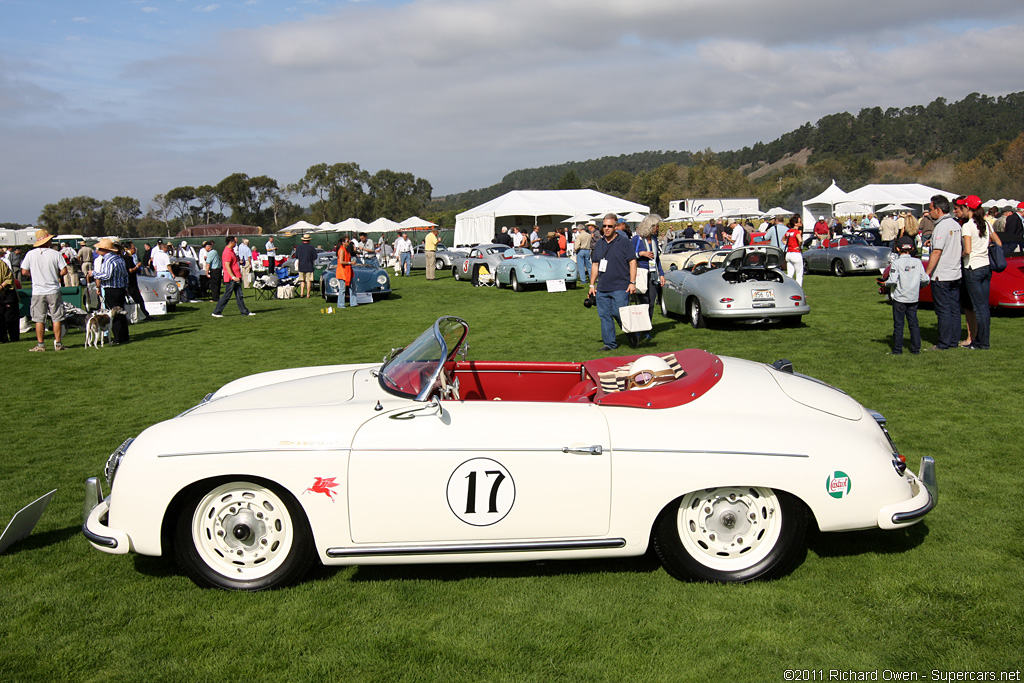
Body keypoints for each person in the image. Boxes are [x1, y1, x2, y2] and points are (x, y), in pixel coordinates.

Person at [589, 213, 637, 351]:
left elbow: (632, 262)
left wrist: (632, 282)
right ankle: (609, 344)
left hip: (621, 286)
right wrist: (592, 285)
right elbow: (595, 265)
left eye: (610, 226)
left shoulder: (624, 242)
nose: (607, 228)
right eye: (604, 226)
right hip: (602, 287)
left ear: (616, 227)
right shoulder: (599, 244)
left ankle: (630, 332)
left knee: (618, 313)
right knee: (604, 316)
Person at [958, 195, 1000, 350]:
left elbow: (968, 250)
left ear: (968, 208)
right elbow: (999, 242)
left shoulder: (968, 226)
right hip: (986, 266)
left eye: (963, 207)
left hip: (973, 268)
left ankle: (981, 342)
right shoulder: (987, 224)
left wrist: (961, 254)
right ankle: (983, 341)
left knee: (978, 308)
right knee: (983, 308)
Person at [924, 195, 962, 350]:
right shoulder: (955, 224)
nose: (929, 212)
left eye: (931, 209)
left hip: (942, 274)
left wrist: (927, 273)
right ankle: (953, 340)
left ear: (938, 210)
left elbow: (937, 252)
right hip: (955, 272)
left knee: (943, 310)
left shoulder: (941, 226)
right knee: (954, 309)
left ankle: (944, 343)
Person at [20, 229, 68, 351]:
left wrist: (34, 275)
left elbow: (24, 271)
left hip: (38, 291)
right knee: (56, 317)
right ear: (47, 241)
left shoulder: (30, 254)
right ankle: (58, 343)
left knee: (38, 319)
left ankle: (41, 344)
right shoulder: (55, 254)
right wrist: (55, 274)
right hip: (53, 290)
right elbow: (64, 270)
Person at [886, 236, 930, 355]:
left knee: (899, 324)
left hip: (900, 297)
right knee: (914, 323)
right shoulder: (917, 262)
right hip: (913, 297)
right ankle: (916, 349)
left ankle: (897, 349)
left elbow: (893, 280)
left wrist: (885, 283)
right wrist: (919, 287)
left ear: (898, 249)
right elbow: (925, 278)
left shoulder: (896, 263)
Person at [632, 214, 665, 341]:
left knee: (651, 303)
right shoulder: (637, 239)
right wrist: (641, 253)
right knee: (643, 303)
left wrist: (661, 274)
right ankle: (639, 329)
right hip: (641, 273)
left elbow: (657, 259)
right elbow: (629, 256)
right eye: (656, 226)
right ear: (650, 226)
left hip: (653, 274)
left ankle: (647, 329)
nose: (657, 228)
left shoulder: (655, 240)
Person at [91, 238, 131, 344]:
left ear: (104, 249)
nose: (97, 251)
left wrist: (93, 274)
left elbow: (107, 275)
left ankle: (117, 338)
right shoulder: (119, 259)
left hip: (111, 289)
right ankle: (124, 337)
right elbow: (125, 275)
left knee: (114, 315)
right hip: (120, 289)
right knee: (121, 313)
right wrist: (126, 287)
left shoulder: (108, 260)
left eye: (98, 249)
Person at [211, 236, 255, 318]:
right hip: (232, 278)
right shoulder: (227, 252)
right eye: (235, 242)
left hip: (237, 276)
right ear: (231, 242)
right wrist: (233, 276)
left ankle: (244, 311)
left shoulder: (232, 251)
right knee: (227, 295)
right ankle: (217, 311)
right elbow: (227, 266)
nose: (236, 243)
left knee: (239, 295)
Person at [123, 242, 154, 320]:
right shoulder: (126, 258)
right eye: (133, 248)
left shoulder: (130, 257)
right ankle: (144, 315)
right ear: (128, 249)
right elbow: (130, 270)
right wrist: (137, 266)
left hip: (133, 282)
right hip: (130, 283)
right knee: (138, 299)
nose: (135, 249)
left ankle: (144, 314)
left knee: (139, 300)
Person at [0, 254, 19, 343]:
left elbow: (9, 279)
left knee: (10, 318)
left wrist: (1, 286)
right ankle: (3, 338)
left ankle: (14, 338)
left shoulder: (2, 264)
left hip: (6, 294)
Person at [334, 237, 357, 308]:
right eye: (347, 241)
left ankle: (353, 303)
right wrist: (350, 262)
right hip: (343, 271)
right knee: (342, 289)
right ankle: (341, 304)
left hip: (349, 271)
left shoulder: (346, 250)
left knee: (353, 286)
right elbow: (341, 261)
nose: (348, 242)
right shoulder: (341, 250)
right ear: (343, 242)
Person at [295, 234, 317, 298]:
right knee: (309, 281)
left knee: (302, 281)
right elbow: (315, 257)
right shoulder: (311, 247)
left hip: (301, 266)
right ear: (309, 240)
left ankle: (302, 293)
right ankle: (308, 294)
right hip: (309, 266)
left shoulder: (299, 247)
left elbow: (296, 256)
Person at [784, 216, 804, 286]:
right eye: (799, 222)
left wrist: (788, 244)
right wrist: (799, 246)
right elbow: (800, 240)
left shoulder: (788, 231)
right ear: (795, 224)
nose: (801, 223)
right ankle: (798, 291)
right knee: (799, 274)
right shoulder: (796, 232)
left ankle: (787, 288)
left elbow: (783, 239)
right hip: (795, 254)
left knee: (789, 274)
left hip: (789, 253)